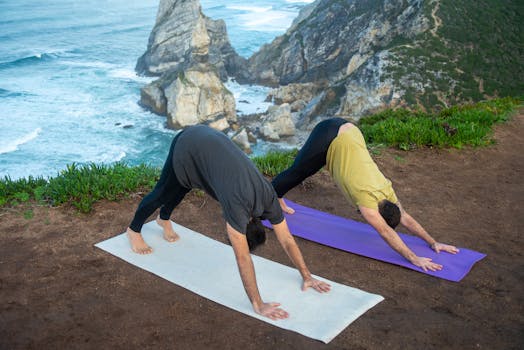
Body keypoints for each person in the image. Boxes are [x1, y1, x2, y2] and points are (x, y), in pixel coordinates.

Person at [127, 125, 330, 320]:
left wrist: (307, 276)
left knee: (184, 183)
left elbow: (287, 240)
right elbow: (243, 258)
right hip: (189, 143)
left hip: (209, 141)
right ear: (243, 226)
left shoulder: (268, 198)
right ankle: (134, 229)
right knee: (163, 191)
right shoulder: (237, 209)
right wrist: (258, 304)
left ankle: (163, 219)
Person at [272, 118, 459, 272]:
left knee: (307, 169)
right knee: (298, 171)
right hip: (329, 134)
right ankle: (266, 199)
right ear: (378, 213)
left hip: (350, 130)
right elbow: (386, 232)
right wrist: (414, 258)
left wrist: (433, 242)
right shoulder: (367, 203)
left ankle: (277, 196)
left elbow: (407, 219)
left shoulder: (387, 191)